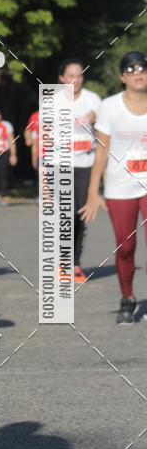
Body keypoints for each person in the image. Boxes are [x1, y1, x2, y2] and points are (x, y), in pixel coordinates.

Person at [79, 52, 147, 324]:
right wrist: (93, 192)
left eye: (142, 67)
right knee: (126, 247)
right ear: (122, 77)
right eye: (130, 69)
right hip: (120, 186)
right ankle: (127, 298)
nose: (137, 72)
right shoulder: (110, 106)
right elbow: (101, 153)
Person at [57, 58, 102, 282]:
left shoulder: (93, 99)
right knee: (65, 214)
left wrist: (95, 120)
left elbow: (105, 130)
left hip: (86, 163)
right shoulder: (52, 102)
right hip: (60, 163)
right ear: (62, 79)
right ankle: (64, 262)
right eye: (71, 76)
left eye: (79, 75)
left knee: (80, 214)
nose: (75, 80)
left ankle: (75, 262)